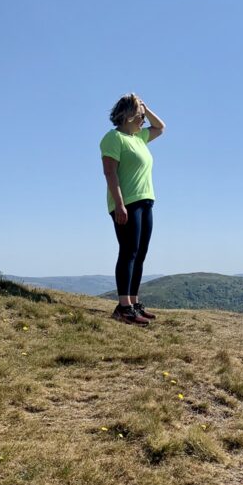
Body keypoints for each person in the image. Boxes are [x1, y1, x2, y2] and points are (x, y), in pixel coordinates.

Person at [100, 93, 166, 325]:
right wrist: (119, 204)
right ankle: (123, 307)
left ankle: (134, 303)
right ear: (128, 115)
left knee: (140, 253)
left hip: (146, 201)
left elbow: (161, 127)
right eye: (140, 115)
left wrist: (146, 108)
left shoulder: (140, 138)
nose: (144, 121)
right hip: (127, 202)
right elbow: (110, 173)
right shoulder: (114, 138)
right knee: (128, 252)